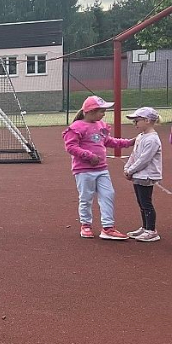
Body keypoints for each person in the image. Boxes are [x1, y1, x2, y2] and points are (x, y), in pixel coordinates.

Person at [62, 95, 134, 240]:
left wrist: (128, 143)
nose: (103, 114)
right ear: (90, 112)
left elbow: (108, 141)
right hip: (84, 171)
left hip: (102, 169)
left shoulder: (101, 125)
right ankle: (86, 225)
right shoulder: (76, 127)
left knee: (108, 194)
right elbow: (71, 147)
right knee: (86, 198)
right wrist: (89, 156)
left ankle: (108, 227)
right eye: (101, 111)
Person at [123, 106, 162, 242]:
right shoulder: (141, 137)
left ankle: (151, 230)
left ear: (147, 120)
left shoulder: (152, 139)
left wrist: (130, 170)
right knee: (141, 203)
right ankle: (145, 227)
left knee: (146, 203)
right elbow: (134, 155)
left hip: (146, 175)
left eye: (137, 120)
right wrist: (127, 167)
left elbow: (144, 160)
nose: (135, 124)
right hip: (138, 175)